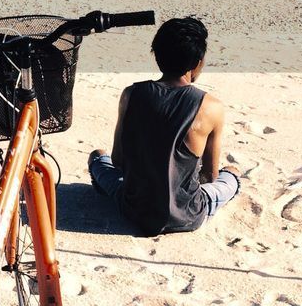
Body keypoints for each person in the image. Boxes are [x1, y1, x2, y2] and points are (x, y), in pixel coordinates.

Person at [88, 16, 241, 235]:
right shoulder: (211, 106)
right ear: (198, 63)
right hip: (188, 214)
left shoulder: (131, 95)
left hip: (134, 208)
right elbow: (209, 176)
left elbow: (118, 161)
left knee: (98, 157)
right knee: (232, 174)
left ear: (157, 56)